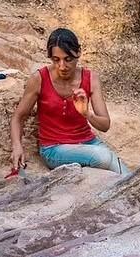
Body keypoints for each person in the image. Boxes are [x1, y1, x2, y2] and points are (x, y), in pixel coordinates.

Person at [10, 28, 128, 174]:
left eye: (68, 59)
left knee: (126, 173)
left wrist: (86, 113)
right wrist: (17, 146)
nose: (62, 66)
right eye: (56, 60)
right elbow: (18, 117)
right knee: (104, 157)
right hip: (54, 149)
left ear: (78, 53)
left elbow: (105, 125)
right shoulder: (39, 79)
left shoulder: (91, 78)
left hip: (88, 142)